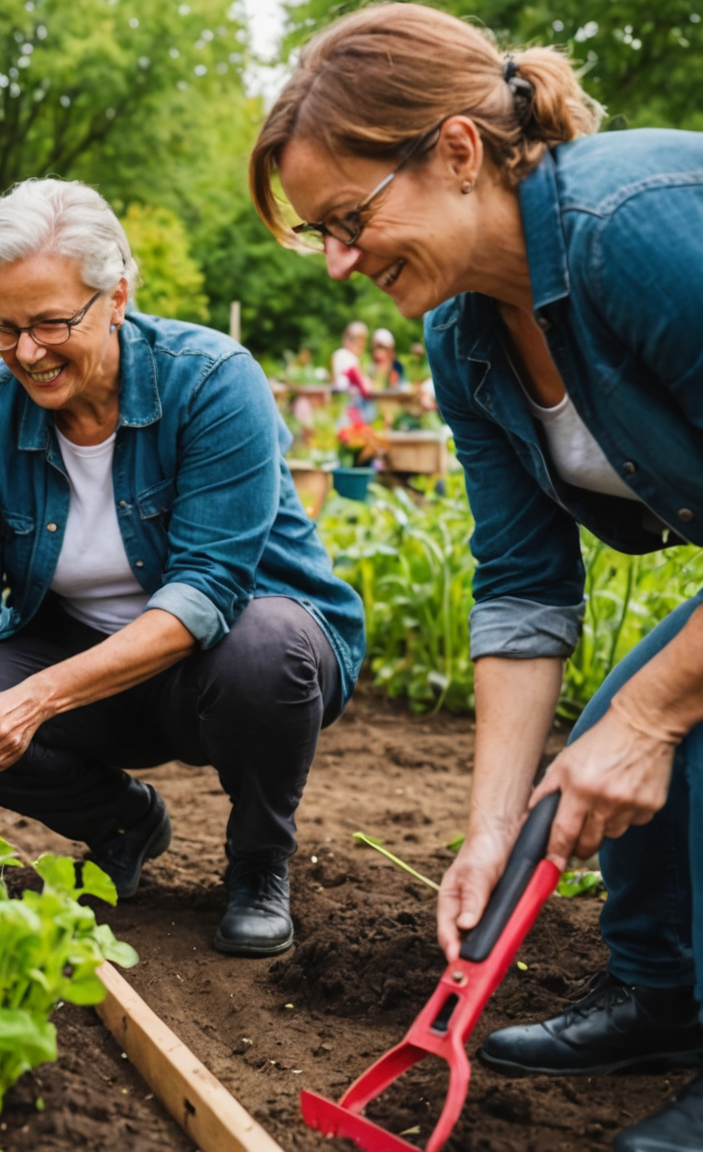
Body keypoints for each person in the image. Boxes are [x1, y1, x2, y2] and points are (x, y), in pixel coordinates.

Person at [252, 6, 703, 1146]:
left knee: (660, 723)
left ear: (458, 151)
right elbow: (521, 585)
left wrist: (654, 721)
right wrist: (491, 831)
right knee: (599, 746)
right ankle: (663, 1000)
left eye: (349, 219)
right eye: (321, 236)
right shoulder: (466, 337)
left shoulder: (633, 228)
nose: (342, 259)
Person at [0, 178, 365, 956]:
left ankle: (259, 861)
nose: (27, 352)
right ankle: (122, 821)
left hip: (229, 659)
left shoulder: (213, 381)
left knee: (266, 647)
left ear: (116, 297)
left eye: (51, 323)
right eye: (3, 326)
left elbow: (208, 590)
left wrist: (36, 700)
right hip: (86, 655)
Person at [331, 319, 370, 398]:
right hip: (349, 398)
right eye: (351, 338)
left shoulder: (343, 355)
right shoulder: (343, 354)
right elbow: (353, 372)